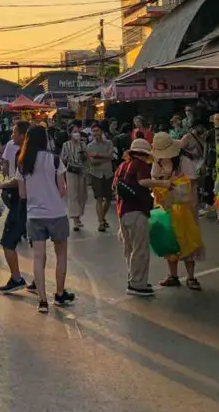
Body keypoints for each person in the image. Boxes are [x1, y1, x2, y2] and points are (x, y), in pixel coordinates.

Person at [16, 125, 74, 314]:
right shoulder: (55, 160)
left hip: (35, 215)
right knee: (61, 255)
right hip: (56, 213)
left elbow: (22, 193)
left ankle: (42, 301)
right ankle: (59, 294)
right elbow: (63, 190)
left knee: (38, 257)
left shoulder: (23, 163)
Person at [151, 132, 204, 290]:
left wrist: (174, 182)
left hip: (185, 207)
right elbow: (153, 180)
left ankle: (191, 277)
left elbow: (192, 183)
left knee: (187, 241)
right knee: (169, 241)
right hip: (165, 206)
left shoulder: (183, 161)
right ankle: (173, 276)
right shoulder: (157, 162)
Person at [113, 138, 160, 297]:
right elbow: (143, 181)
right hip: (136, 211)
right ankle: (137, 283)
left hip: (123, 211)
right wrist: (164, 184)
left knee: (130, 249)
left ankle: (133, 278)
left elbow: (115, 187)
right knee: (140, 249)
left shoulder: (122, 166)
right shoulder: (140, 165)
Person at [0, 120, 32, 294]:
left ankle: (17, 278)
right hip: (38, 206)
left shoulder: (22, 156)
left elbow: (18, 182)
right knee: (37, 246)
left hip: (21, 204)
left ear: (23, 135)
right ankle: (39, 281)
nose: (11, 135)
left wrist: (1, 185)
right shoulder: (45, 155)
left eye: (14, 132)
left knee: (7, 242)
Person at [85, 123, 116, 233]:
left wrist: (97, 154)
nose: (95, 133)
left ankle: (102, 217)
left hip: (108, 173)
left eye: (97, 131)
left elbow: (111, 155)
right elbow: (92, 162)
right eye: (94, 131)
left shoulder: (109, 143)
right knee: (99, 198)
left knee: (108, 199)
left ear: (101, 132)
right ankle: (101, 222)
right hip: (96, 174)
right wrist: (106, 157)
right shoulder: (89, 146)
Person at [61, 128, 89, 232]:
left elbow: (87, 158)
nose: (77, 134)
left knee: (82, 194)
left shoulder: (83, 144)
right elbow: (62, 159)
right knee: (73, 194)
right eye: (75, 132)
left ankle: (78, 216)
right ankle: (75, 219)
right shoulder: (66, 145)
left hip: (82, 171)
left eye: (78, 132)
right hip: (71, 171)